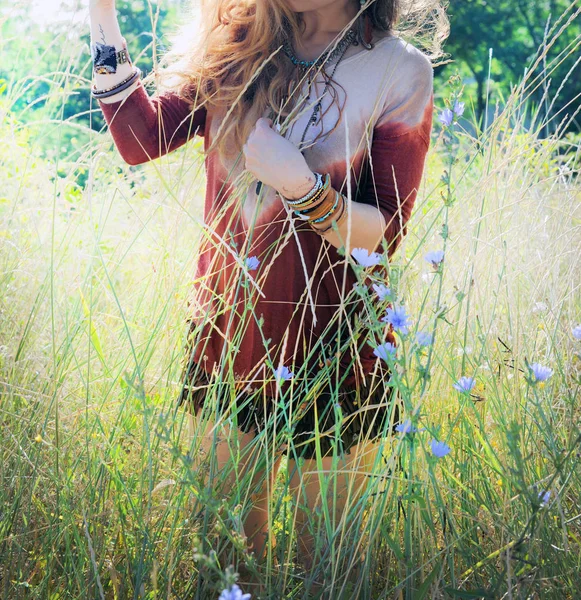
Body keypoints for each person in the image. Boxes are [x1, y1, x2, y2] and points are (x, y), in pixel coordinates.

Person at [89, 0, 448, 588]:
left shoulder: (397, 70)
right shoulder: (236, 47)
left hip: (337, 351)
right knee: (226, 573)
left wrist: (300, 185)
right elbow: (139, 139)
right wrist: (100, 12)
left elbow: (384, 235)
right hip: (229, 345)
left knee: (327, 574)